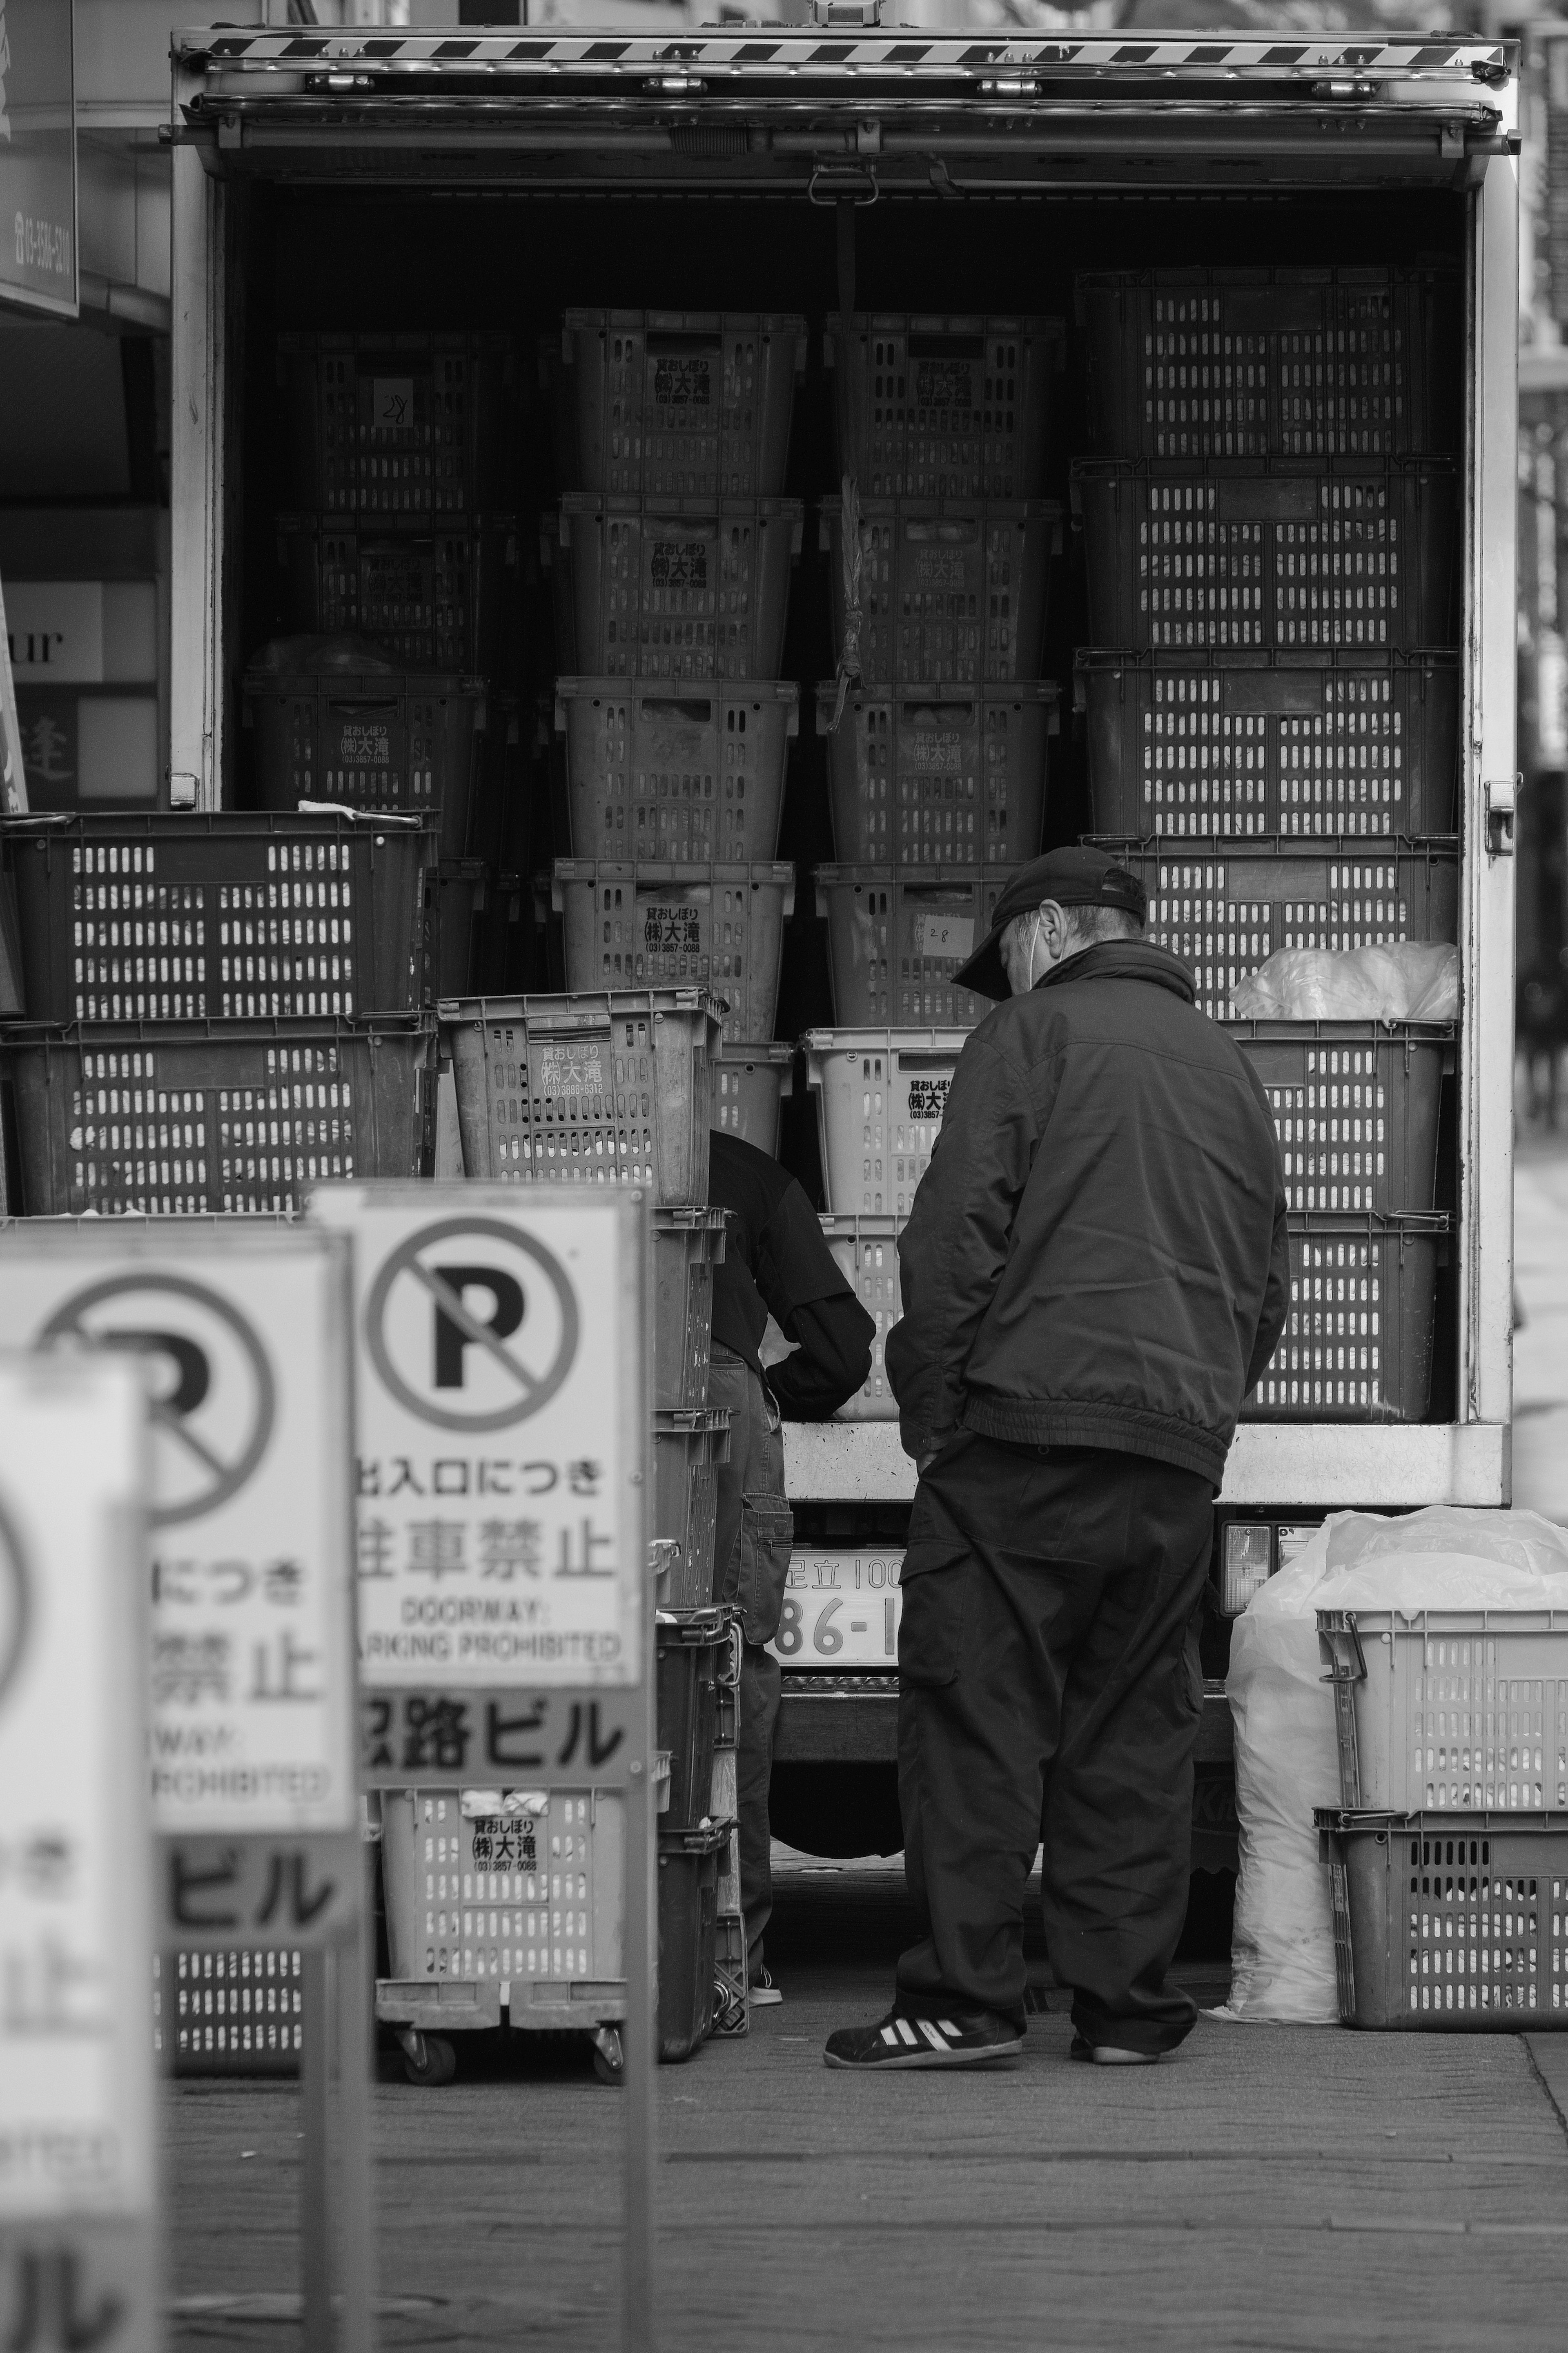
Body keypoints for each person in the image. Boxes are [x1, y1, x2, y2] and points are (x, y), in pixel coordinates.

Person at [824, 847, 1289, 2073]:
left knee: (979, 1719)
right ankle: (1127, 2007)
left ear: (1044, 933)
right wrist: (1204, 1418)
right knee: (1132, 1735)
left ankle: (966, 2003)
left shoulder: (1032, 1037)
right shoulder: (1229, 1071)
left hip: (1023, 1436)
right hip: (1173, 1456)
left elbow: (954, 1237)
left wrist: (936, 1409)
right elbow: (1267, 1285)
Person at [707, 1125, 876, 2007]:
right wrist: (772, 1390)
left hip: (572, 1393)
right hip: (725, 1405)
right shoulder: (747, 1173)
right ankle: (731, 1955)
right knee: (732, 1666)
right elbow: (845, 1350)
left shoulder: (530, 1167)